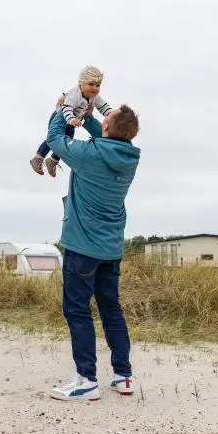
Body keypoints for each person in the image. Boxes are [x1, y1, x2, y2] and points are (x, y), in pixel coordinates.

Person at [44, 103, 141, 401]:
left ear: (109, 128)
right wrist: (87, 117)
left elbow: (54, 138)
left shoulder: (89, 156)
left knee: (77, 309)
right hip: (111, 248)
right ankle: (123, 375)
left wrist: (61, 110)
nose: (100, 120)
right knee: (111, 308)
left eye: (104, 118)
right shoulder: (128, 156)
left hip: (83, 247)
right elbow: (109, 135)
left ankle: (86, 379)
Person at [30, 66, 114, 178]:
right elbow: (67, 107)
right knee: (54, 138)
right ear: (81, 84)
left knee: (67, 140)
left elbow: (104, 107)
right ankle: (38, 157)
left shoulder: (95, 97)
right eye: (90, 84)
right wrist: (71, 119)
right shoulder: (75, 94)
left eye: (97, 85)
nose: (94, 88)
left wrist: (112, 114)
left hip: (73, 121)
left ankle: (53, 160)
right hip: (61, 118)